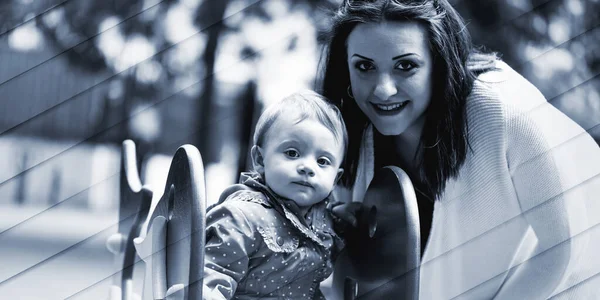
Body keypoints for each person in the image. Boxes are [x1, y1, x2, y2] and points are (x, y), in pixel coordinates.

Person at [319, 0, 600, 299]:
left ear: (439, 60)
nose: (383, 89)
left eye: (406, 66)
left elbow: (563, 246)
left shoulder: (503, 112)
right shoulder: (350, 128)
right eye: (364, 66)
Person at [202, 90, 347, 299]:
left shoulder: (325, 222)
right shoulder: (243, 218)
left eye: (322, 161)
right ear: (260, 160)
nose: (307, 167)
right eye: (292, 153)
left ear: (335, 178)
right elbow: (212, 279)